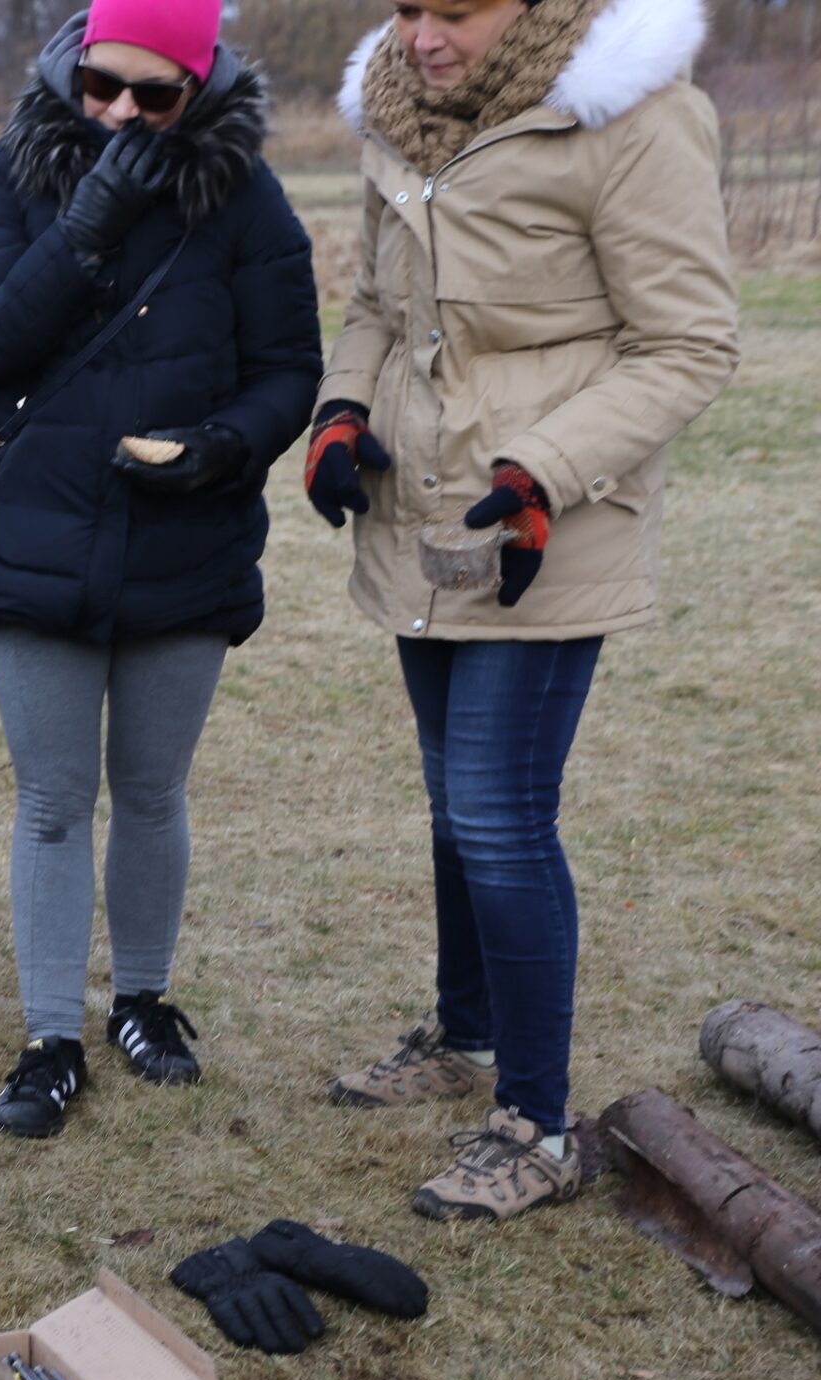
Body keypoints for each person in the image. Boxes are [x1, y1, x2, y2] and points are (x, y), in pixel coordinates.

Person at [308, 0, 737, 1218]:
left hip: (544, 532)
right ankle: (464, 1033)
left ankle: (538, 1125)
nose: (422, 35)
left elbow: (690, 342)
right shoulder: (396, 117)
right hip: (419, 524)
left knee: (498, 817)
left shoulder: (635, 118)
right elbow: (378, 312)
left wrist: (541, 466)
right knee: (454, 807)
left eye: (455, 10)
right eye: (404, 8)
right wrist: (342, 412)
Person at [0, 1, 322, 1138]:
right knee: (51, 801)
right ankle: (51, 1034)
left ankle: (143, 1002)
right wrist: (87, 224)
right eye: (102, 85)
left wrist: (226, 447)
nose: (119, 113)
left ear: (197, 91)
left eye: (153, 97)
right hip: (36, 537)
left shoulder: (242, 196)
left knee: (153, 792)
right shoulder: (21, 169)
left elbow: (286, 365)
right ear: (73, 66)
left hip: (185, 535)